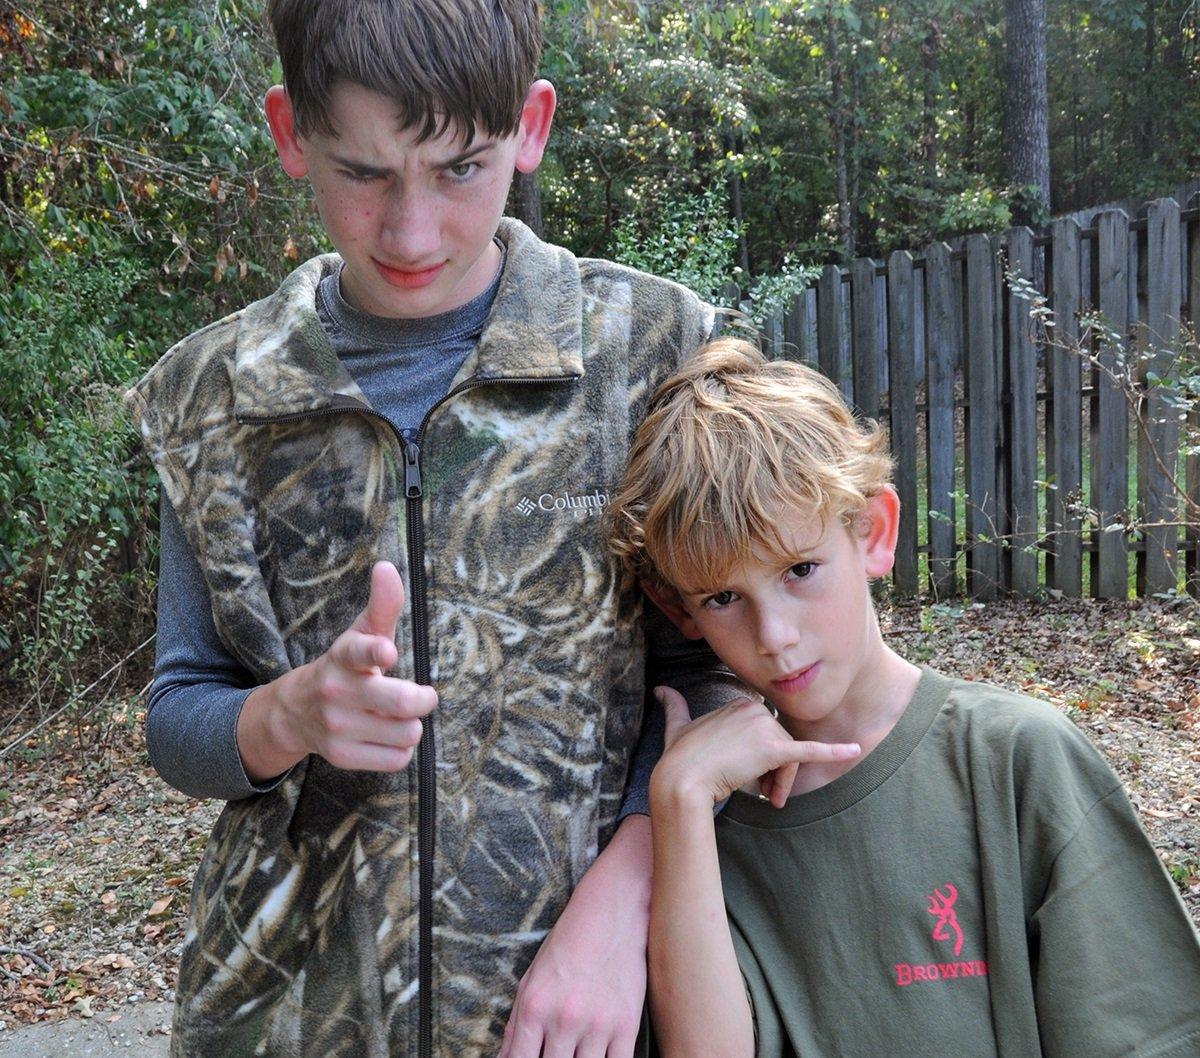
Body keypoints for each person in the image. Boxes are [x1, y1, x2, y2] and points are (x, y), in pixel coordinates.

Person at [123, 2, 746, 1055]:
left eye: (461, 167)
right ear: (290, 133)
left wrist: (630, 883)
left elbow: (735, 667)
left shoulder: (652, 353)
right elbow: (178, 712)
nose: (412, 232)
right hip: (285, 1017)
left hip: (586, 1007)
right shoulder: (213, 396)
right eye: (363, 173)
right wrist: (285, 715)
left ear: (531, 126)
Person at [604, 337, 1200, 1058]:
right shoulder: (713, 819)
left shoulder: (1014, 760)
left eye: (800, 569)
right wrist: (679, 797)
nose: (776, 636)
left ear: (874, 533)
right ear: (682, 614)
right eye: (724, 596)